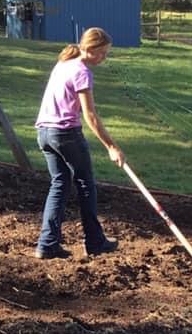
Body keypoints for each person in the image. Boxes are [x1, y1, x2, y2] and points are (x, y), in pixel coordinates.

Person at [34, 27, 125, 259]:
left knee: (60, 183)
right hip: (65, 134)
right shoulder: (82, 71)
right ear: (90, 49)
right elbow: (90, 116)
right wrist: (111, 147)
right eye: (102, 53)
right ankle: (95, 241)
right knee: (86, 184)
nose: (104, 58)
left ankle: (47, 245)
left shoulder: (63, 64)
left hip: (44, 133)